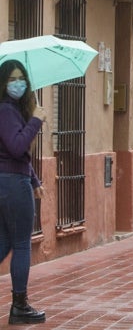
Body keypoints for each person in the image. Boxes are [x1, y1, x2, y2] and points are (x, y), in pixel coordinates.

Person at [0, 60, 47, 324]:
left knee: (5, 242)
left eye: (21, 78)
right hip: (11, 185)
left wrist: (35, 180)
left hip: (12, 180)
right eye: (11, 79)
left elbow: (18, 156)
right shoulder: (6, 110)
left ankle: (19, 305)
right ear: (3, 83)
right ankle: (19, 306)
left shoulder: (12, 109)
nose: (18, 84)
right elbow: (17, 147)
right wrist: (37, 120)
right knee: (20, 244)